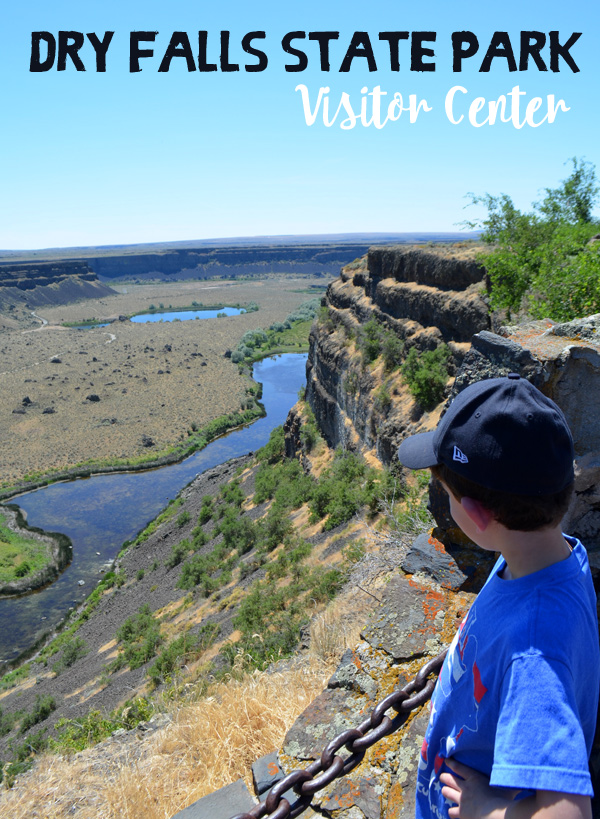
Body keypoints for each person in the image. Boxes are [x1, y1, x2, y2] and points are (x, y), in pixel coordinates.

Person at [397, 373, 600, 819]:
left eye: (447, 494)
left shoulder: (534, 650)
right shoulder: (548, 556)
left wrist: (485, 810)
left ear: (475, 515)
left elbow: (569, 813)